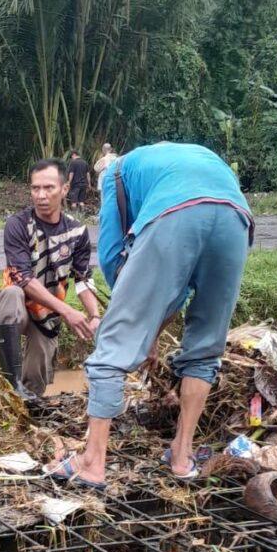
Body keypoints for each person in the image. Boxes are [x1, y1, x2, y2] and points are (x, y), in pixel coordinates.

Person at [57, 142, 254, 491]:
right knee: (206, 348)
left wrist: (131, 327)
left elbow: (113, 256)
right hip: (236, 220)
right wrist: (149, 333)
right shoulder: (176, 161)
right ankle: (182, 456)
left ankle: (92, 463)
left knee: (113, 347)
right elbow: (180, 285)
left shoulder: (114, 176)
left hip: (178, 212)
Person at [0, 159, 100, 401]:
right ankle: (10, 382)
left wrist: (95, 316)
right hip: (13, 308)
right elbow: (23, 279)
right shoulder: (17, 224)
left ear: (64, 189)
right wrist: (68, 311)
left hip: (46, 317)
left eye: (49, 188)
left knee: (34, 389)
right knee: (12, 294)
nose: (41, 195)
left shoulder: (77, 232)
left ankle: (23, 406)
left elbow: (82, 280)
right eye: (35, 188)